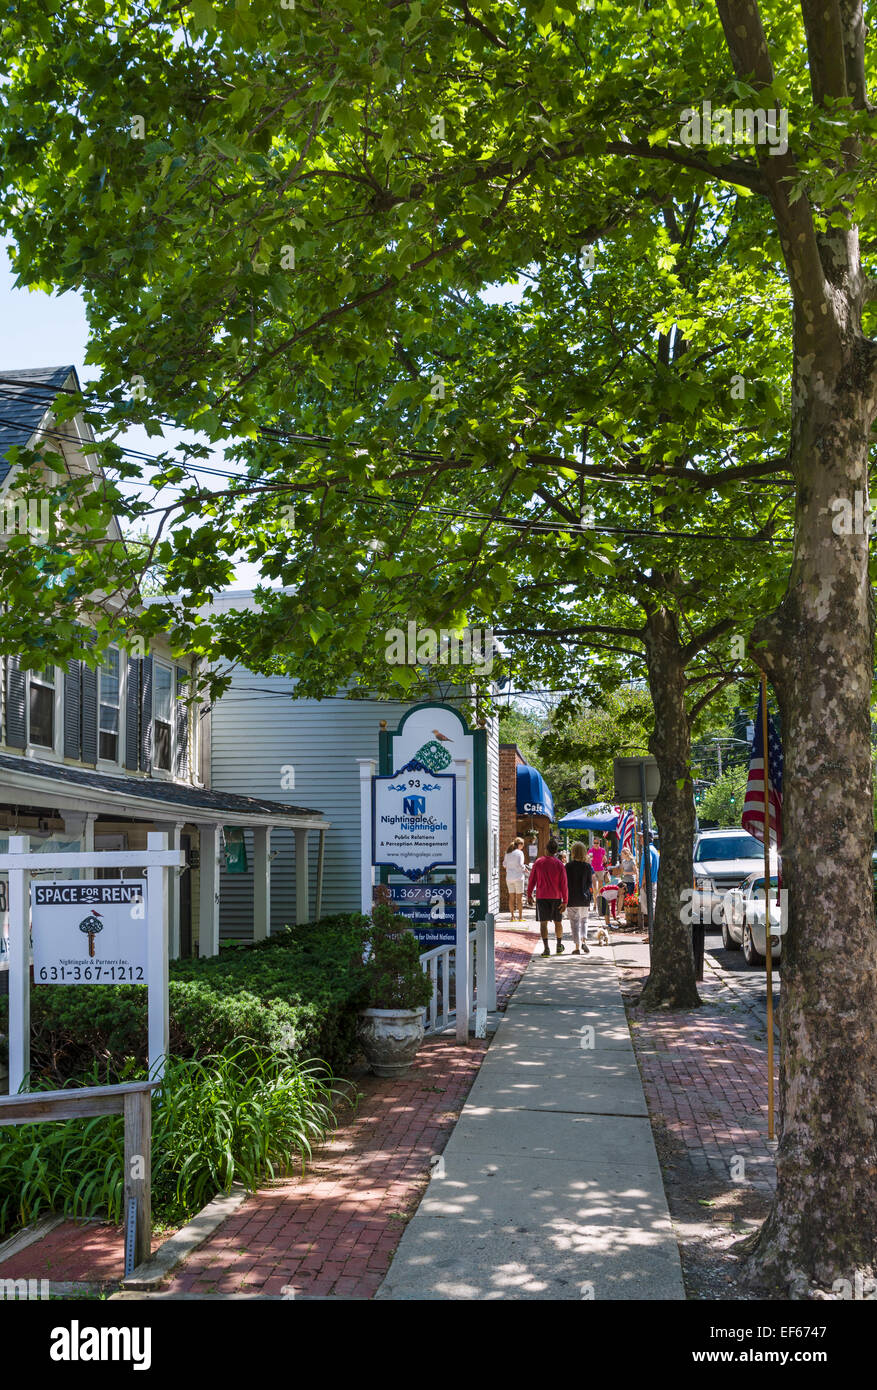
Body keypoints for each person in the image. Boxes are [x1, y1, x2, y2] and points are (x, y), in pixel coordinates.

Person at [527, 837, 568, 956]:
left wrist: (529, 894)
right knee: (558, 922)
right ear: (556, 851)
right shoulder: (559, 864)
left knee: (543, 923)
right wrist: (565, 900)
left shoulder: (538, 862)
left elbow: (532, 880)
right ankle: (559, 946)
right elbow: (564, 884)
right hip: (556, 897)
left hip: (542, 897)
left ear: (546, 849)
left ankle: (546, 949)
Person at [565, 841, 592, 955]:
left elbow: (565, 883)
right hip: (584, 897)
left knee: (574, 922)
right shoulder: (587, 866)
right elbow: (589, 884)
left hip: (572, 897)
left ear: (573, 852)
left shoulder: (568, 866)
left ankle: (577, 946)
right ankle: (584, 941)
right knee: (584, 920)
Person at [503, 837, 527, 922]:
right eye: (522, 845)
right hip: (518, 877)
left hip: (509, 877)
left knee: (511, 897)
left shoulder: (507, 852)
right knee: (519, 898)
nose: (523, 846)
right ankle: (520, 917)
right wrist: (525, 868)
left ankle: (512, 917)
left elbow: (504, 864)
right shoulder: (520, 853)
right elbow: (521, 864)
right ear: (519, 844)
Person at [588, 836, 608, 910]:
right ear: (593, 843)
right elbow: (588, 860)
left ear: (599, 843)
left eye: (597, 843)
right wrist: (589, 859)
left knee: (600, 888)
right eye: (594, 843)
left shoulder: (602, 850)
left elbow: (604, 861)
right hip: (593, 870)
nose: (596, 844)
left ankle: (598, 903)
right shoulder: (590, 851)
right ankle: (595, 904)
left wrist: (605, 859)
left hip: (600, 870)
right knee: (594, 887)